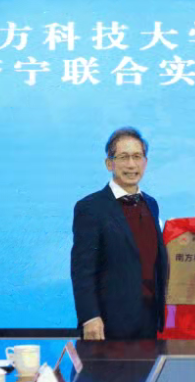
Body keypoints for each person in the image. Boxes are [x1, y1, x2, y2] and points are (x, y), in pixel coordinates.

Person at [71, 127, 168, 340]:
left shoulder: (151, 204)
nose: (131, 164)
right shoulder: (90, 207)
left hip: (149, 319)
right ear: (109, 163)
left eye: (137, 156)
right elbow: (82, 269)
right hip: (108, 324)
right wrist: (90, 316)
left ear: (145, 162)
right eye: (123, 157)